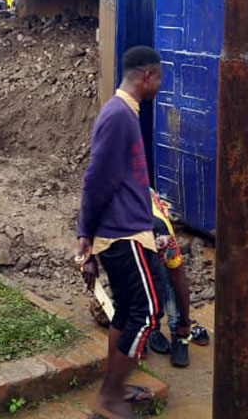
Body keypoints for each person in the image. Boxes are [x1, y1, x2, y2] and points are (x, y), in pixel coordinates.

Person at [77, 46, 164, 419]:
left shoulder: (126, 114)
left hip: (128, 229)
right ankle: (110, 396)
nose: (161, 85)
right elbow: (97, 179)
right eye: (159, 77)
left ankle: (113, 389)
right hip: (121, 234)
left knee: (128, 311)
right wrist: (85, 234)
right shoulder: (118, 116)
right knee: (148, 313)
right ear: (147, 76)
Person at [146, 189, 191, 368]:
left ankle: (179, 336)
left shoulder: (164, 236)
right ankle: (150, 327)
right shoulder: (121, 231)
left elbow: (180, 281)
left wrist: (184, 324)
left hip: (153, 231)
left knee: (167, 281)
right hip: (132, 237)